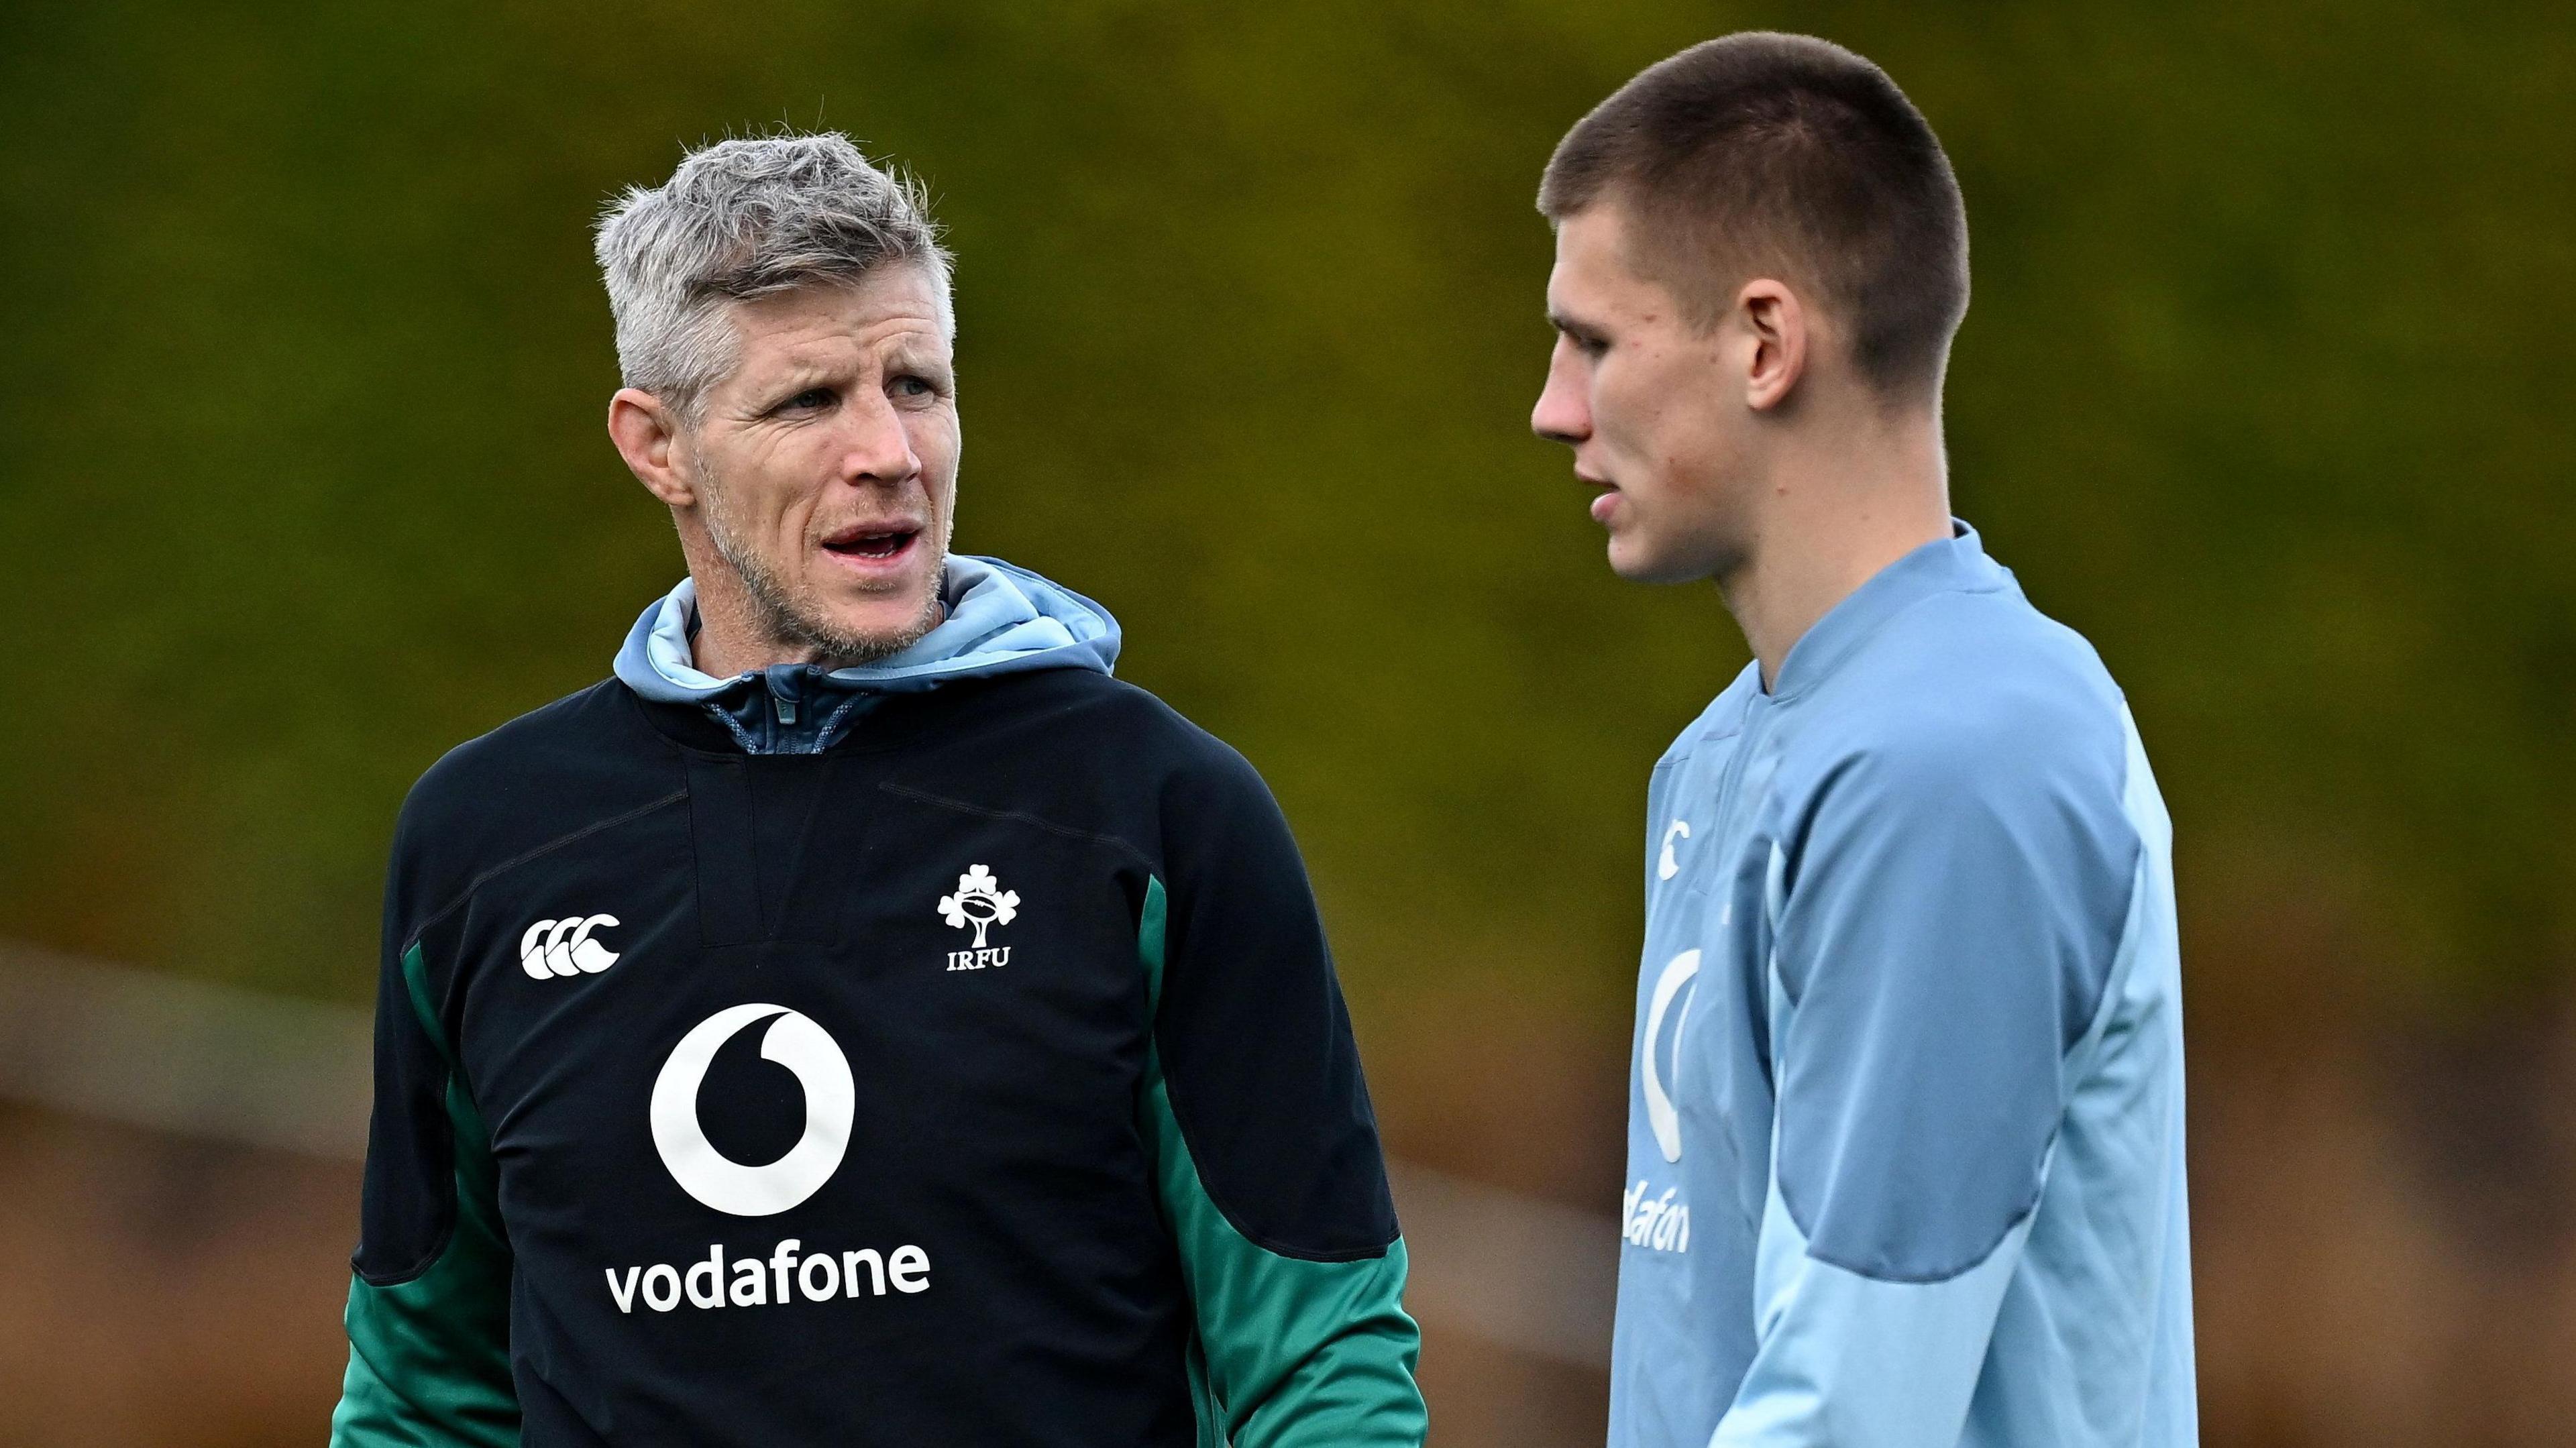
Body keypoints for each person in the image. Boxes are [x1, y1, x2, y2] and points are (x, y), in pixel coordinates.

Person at [329, 131, 1425, 1447]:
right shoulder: (483, 844)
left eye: (917, 383)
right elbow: (422, 1396)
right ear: (657, 444)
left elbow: (1320, 1360)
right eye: (809, 402)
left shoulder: (1156, 809)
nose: (891, 451)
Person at [1529, 34, 2196, 1448]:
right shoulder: (1729, 751)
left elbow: (1851, 1413)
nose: (1554, 409)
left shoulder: (1958, 764)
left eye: (1592, 341)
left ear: (1766, 343)